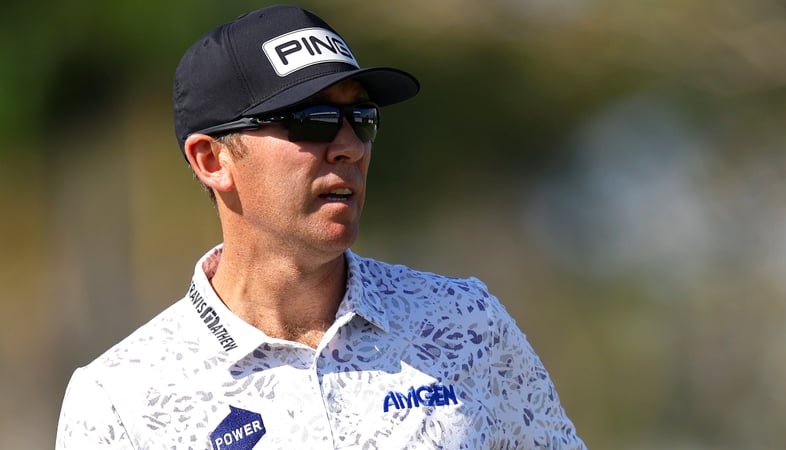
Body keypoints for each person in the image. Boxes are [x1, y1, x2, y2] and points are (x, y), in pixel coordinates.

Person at [55, 5, 586, 449]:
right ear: (212, 160)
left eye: (362, 119)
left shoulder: (466, 323)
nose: (350, 146)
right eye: (312, 120)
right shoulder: (119, 398)